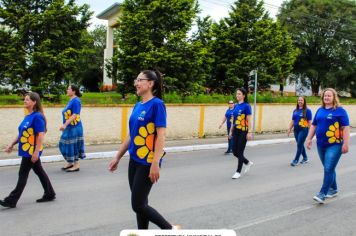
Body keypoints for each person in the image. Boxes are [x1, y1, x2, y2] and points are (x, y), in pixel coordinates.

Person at [108, 70, 179, 229]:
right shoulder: (138, 105)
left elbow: (161, 136)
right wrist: (117, 157)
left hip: (148, 161)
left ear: (151, 84)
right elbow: (131, 135)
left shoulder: (157, 105)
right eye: (136, 79)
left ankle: (170, 229)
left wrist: (156, 162)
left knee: (138, 205)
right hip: (134, 160)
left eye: (140, 80)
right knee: (141, 204)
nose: (136, 83)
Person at [1, 92, 56, 208]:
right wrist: (11, 144)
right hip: (27, 149)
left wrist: (36, 152)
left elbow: (40, 135)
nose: (24, 101)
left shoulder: (37, 116)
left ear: (34, 102)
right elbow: (22, 133)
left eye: (27, 100)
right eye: (24, 99)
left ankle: (11, 200)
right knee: (39, 171)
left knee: (23, 173)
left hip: (31, 150)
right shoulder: (28, 117)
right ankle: (50, 193)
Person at [306, 88, 350, 204]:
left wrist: (346, 143)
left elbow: (346, 127)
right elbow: (314, 125)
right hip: (321, 144)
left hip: (335, 144)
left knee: (328, 168)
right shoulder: (320, 110)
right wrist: (309, 138)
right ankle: (333, 189)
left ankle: (322, 193)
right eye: (325, 96)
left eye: (329, 96)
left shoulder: (340, 111)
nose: (327, 98)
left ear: (334, 97)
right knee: (329, 168)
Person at [59, 84, 86, 172]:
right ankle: (70, 162)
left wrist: (65, 125)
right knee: (63, 144)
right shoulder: (71, 100)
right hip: (69, 127)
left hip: (75, 127)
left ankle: (76, 165)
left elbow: (75, 115)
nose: (67, 90)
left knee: (73, 145)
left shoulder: (76, 101)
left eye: (68, 89)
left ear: (73, 91)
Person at [229, 88, 253, 179]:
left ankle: (238, 172)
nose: (237, 95)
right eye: (237, 94)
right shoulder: (235, 106)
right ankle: (247, 162)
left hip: (244, 131)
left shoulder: (247, 106)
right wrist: (231, 131)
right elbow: (233, 120)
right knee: (234, 152)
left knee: (240, 151)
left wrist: (249, 132)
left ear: (244, 95)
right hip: (236, 130)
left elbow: (249, 120)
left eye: (239, 94)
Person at [287, 96, 312, 166]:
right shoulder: (295, 110)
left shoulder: (308, 111)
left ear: (304, 102)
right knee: (300, 144)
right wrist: (289, 129)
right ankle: (305, 158)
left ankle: (296, 160)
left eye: (301, 100)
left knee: (299, 144)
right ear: (297, 102)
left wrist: (310, 133)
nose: (300, 101)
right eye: (299, 100)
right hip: (296, 130)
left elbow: (310, 122)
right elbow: (293, 120)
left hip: (304, 130)